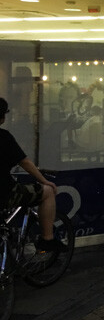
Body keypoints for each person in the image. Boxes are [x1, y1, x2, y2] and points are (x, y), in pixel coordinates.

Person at [0, 97, 65, 252]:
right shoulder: (4, 137)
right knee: (47, 192)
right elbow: (25, 163)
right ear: (2, 118)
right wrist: (44, 181)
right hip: (5, 193)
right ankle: (47, 239)